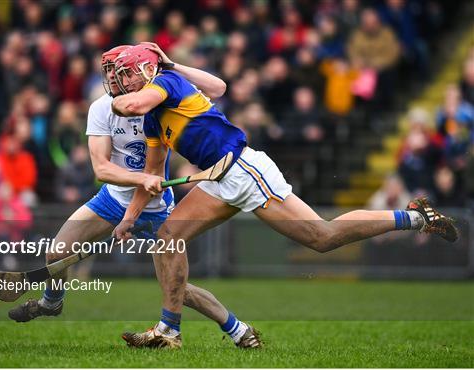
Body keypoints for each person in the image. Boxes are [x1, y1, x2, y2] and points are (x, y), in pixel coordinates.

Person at [111, 42, 458, 349]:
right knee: (168, 238)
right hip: (216, 180)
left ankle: (414, 216)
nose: (120, 83)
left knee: (322, 237)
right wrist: (128, 219)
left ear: (147, 69)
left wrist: (156, 73)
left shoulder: (165, 84)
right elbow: (153, 173)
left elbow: (134, 104)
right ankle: (170, 331)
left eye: (125, 74)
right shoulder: (153, 120)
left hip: (243, 171)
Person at [8, 44, 262, 349]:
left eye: (123, 72)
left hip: (157, 208)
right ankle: (51, 302)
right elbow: (102, 169)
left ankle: (239, 330)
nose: (117, 79)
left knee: (177, 286)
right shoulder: (101, 108)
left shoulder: (161, 98)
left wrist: (171, 65)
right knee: (56, 253)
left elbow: (218, 87)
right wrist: (140, 180)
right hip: (112, 199)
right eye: (113, 73)